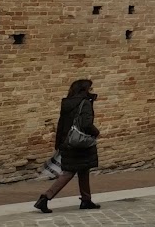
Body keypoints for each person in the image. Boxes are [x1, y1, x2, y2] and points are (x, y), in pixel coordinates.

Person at [34, 79, 101, 213]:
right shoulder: (85, 103)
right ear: (84, 90)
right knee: (69, 172)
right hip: (80, 143)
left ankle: (86, 200)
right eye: (90, 89)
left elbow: (61, 124)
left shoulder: (67, 103)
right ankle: (45, 198)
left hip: (67, 142)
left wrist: (59, 143)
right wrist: (96, 132)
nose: (91, 91)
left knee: (83, 169)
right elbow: (86, 124)